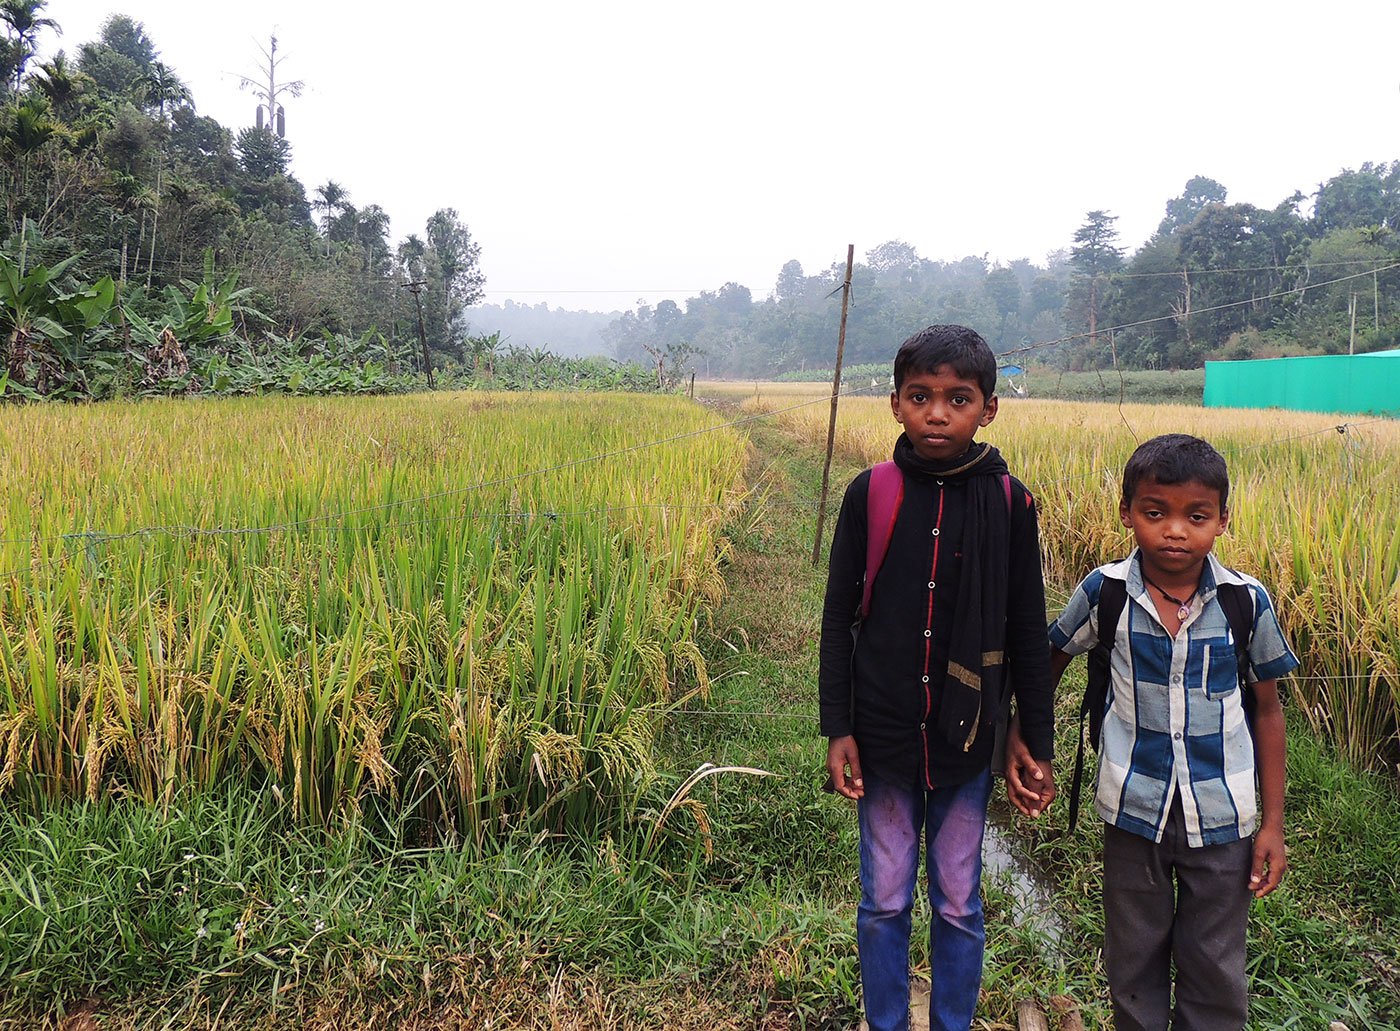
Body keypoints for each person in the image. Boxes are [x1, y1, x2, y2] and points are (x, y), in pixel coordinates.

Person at [1005, 433, 1299, 1031]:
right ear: (1126, 513)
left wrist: (1272, 825)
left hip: (1224, 820)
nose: (1174, 531)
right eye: (1154, 512)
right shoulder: (1105, 592)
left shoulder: (1247, 601)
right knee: (1133, 961)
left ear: (1222, 520)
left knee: (1215, 964)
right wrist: (1023, 736)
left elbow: (1267, 712)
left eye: (1196, 516)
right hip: (1133, 811)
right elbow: (1047, 663)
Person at [820, 324, 1055, 1031]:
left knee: (959, 899)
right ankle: (887, 1021)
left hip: (967, 738)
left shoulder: (1011, 504)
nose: (937, 413)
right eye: (920, 396)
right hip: (884, 731)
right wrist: (838, 727)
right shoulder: (872, 493)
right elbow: (837, 620)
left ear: (988, 409)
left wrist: (1033, 739)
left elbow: (1026, 632)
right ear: (895, 404)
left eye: (958, 398)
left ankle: (952, 1021)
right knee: (884, 896)